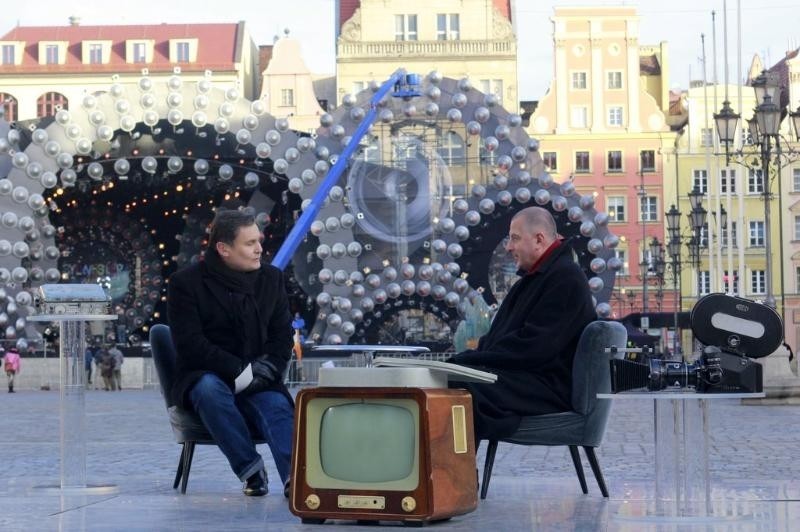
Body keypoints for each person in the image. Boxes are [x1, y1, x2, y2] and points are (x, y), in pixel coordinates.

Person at [168, 208, 294, 498]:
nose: (259, 249)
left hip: (260, 374)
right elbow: (190, 344)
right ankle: (251, 471)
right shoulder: (185, 283)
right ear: (223, 248)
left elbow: (282, 335)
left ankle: (296, 479)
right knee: (210, 389)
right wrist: (239, 369)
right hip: (206, 373)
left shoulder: (271, 279)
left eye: (258, 241)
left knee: (275, 404)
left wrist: (270, 369)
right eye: (250, 243)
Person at [448, 206, 596, 442]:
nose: (508, 247)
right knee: (454, 378)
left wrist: (469, 361)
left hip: (548, 388)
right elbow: (500, 340)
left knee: (457, 387)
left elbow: (534, 347)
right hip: (530, 379)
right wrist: (467, 361)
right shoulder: (536, 279)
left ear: (539, 240)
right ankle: (444, 473)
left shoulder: (565, 278)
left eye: (514, 238)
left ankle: (454, 475)